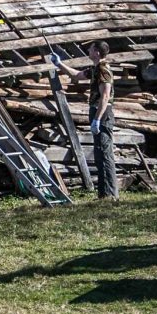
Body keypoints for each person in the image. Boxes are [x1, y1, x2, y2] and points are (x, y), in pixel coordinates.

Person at [51, 41, 118, 199]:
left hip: (102, 113)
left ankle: (110, 194)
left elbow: (106, 96)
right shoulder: (95, 69)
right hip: (96, 111)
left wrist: (97, 119)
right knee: (99, 152)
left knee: (105, 152)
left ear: (96, 52)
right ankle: (104, 194)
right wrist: (59, 64)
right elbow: (76, 75)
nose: (88, 50)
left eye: (91, 48)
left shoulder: (103, 70)